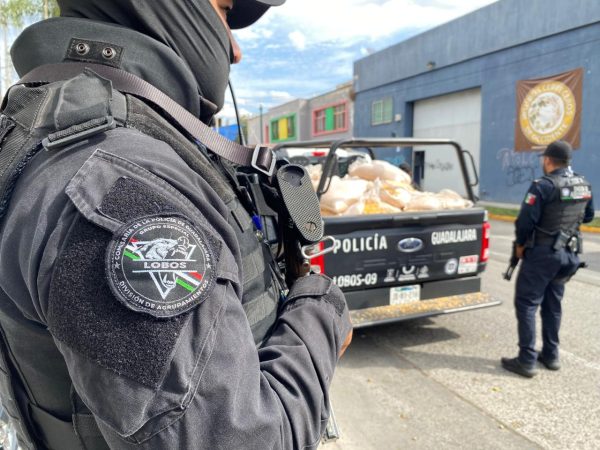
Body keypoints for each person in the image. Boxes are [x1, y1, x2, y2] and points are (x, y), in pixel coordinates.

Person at [0, 1, 353, 449]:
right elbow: (241, 440)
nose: (236, 50)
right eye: (226, 10)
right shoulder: (121, 183)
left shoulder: (76, 136)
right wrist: (322, 313)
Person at [501, 140, 594, 378]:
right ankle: (551, 356)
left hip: (542, 255)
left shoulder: (542, 186)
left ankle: (526, 360)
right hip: (568, 255)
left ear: (549, 160)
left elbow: (525, 221)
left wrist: (520, 245)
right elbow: (588, 216)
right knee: (553, 305)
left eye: (544, 158)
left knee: (527, 304)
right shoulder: (583, 184)